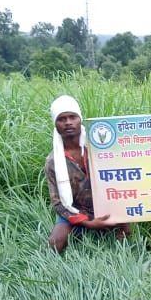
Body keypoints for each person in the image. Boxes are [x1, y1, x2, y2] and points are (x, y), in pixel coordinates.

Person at [44, 94, 130, 252]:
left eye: (72, 117)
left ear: (80, 119)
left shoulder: (99, 147)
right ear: (55, 124)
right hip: (75, 209)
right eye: (62, 119)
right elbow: (58, 204)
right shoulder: (53, 161)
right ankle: (81, 231)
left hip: (107, 204)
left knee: (125, 235)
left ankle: (121, 251)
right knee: (55, 243)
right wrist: (87, 222)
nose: (68, 122)